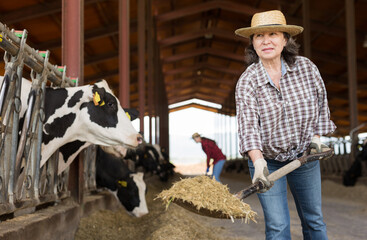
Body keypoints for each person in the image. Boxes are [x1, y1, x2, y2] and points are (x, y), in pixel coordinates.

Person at [234, 10, 336, 240]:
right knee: (278, 226)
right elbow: (248, 126)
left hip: (305, 156)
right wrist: (258, 163)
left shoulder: (306, 68)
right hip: (267, 160)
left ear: (285, 39)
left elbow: (321, 104)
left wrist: (317, 139)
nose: (266, 40)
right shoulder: (248, 81)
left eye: (273, 34)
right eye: (259, 36)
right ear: (253, 42)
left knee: (314, 220)